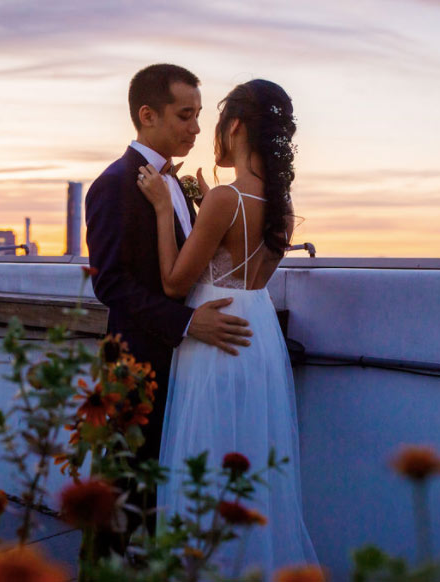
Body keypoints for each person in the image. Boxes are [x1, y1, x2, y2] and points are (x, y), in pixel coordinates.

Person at [137, 79, 318, 575]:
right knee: (250, 465)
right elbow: (243, 274)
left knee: (207, 462)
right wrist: (207, 211)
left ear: (234, 126)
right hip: (257, 337)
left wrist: (161, 209)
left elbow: (176, 284)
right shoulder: (280, 209)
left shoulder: (224, 200)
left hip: (216, 341)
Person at [84, 64, 253, 544]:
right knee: (123, 498)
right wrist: (186, 324)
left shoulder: (176, 185)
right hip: (139, 363)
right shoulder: (114, 184)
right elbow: (110, 284)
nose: (197, 128)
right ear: (147, 115)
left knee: (162, 495)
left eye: (199, 115)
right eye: (185, 115)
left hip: (182, 366)